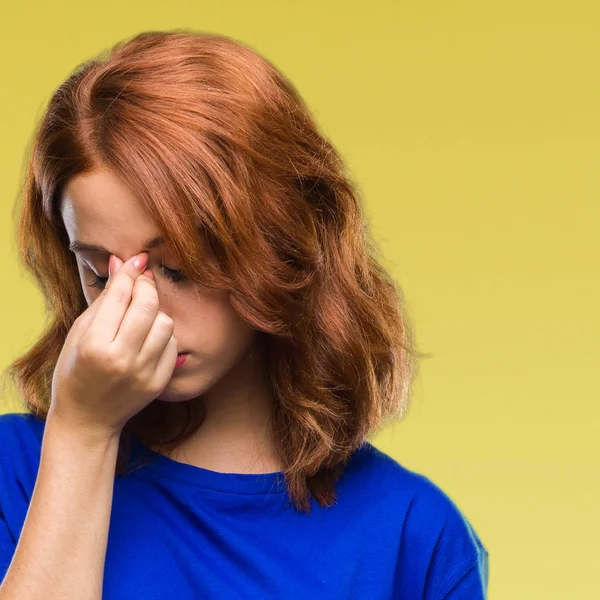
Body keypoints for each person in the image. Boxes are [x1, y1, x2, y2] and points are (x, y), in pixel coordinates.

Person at [0, 29, 488, 599]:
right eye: (100, 274)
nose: (135, 308)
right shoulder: (16, 470)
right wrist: (81, 434)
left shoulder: (413, 537)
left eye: (178, 268)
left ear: (280, 243)